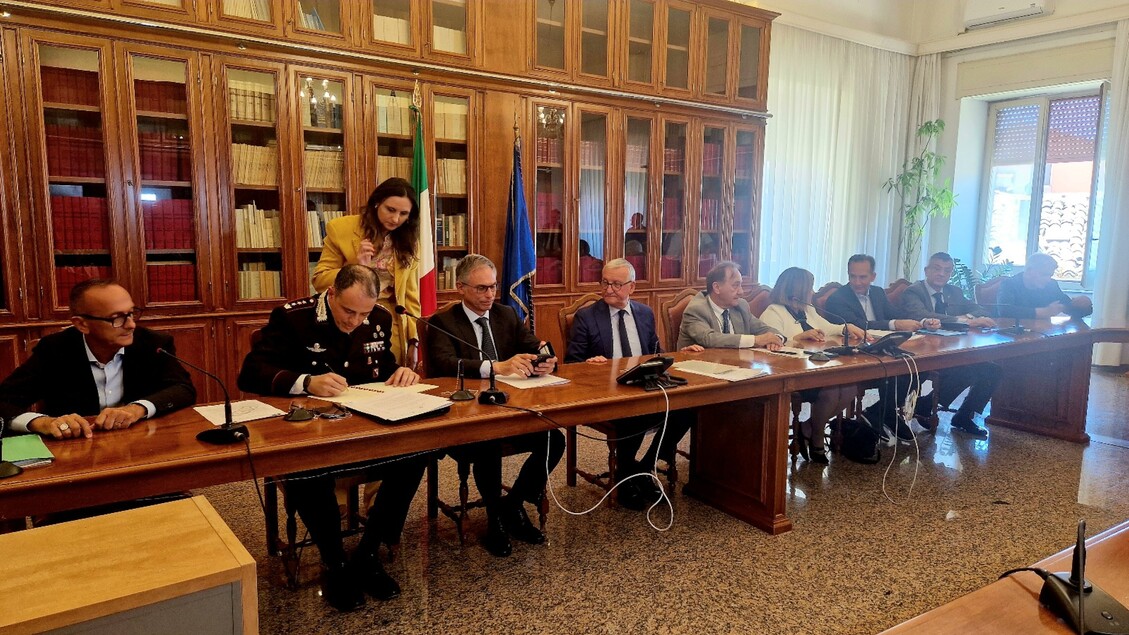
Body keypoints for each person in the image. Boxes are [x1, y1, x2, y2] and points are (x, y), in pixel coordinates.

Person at [238, 265, 426, 612]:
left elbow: (380, 367)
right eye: (348, 311)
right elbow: (250, 373)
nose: (355, 321)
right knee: (308, 470)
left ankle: (368, 553)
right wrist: (306, 382)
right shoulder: (293, 318)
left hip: (365, 428)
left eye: (363, 313)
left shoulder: (380, 318)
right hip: (311, 433)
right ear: (331, 294)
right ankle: (335, 562)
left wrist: (401, 372)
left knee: (415, 454)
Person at [425, 254, 565, 558]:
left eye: (493, 287)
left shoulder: (506, 314)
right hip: (466, 416)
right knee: (488, 445)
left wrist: (546, 361)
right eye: (481, 288)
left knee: (554, 439)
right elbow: (445, 364)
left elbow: (533, 345)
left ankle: (511, 505)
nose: (490, 294)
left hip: (510, 408)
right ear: (461, 287)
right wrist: (495, 367)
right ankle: (494, 520)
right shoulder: (443, 322)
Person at [564, 259, 703, 509]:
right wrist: (589, 364)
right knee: (635, 416)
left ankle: (643, 468)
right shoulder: (587, 316)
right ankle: (628, 477)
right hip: (608, 394)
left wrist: (680, 355)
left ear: (632, 287)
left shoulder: (644, 313)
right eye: (605, 283)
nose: (608, 289)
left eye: (616, 284)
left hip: (643, 387)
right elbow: (572, 363)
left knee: (686, 410)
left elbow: (656, 353)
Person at [0, 279, 195, 439]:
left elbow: (183, 389)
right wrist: (43, 422)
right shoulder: (55, 350)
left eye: (131, 313)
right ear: (82, 324)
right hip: (76, 449)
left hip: (140, 442)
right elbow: (4, 400)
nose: (131, 325)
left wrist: (136, 409)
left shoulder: (153, 343)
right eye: (117, 318)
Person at [825, 254, 940, 437]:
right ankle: (885, 413)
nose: (857, 282)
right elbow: (856, 324)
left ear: (873, 276)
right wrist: (894, 324)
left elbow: (896, 314)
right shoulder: (838, 298)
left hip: (882, 348)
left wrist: (923, 322)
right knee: (896, 369)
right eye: (852, 276)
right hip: (857, 355)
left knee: (919, 366)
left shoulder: (877, 293)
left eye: (862, 277)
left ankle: (881, 412)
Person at [311, 177, 421, 365]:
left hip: (388, 318)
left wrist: (414, 340)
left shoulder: (409, 242)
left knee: (388, 373)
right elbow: (320, 280)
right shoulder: (341, 229)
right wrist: (356, 266)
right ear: (377, 203)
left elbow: (410, 295)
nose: (396, 219)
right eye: (390, 210)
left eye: (403, 214)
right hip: (346, 313)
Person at [759, 268, 864, 464]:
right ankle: (817, 437)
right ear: (797, 291)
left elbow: (828, 328)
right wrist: (798, 337)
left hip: (814, 368)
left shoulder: (808, 311)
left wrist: (845, 327)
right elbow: (772, 342)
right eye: (809, 288)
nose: (813, 292)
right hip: (791, 372)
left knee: (849, 387)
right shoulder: (773, 312)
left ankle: (808, 428)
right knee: (831, 392)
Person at [897, 252, 1001, 437]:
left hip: (952, 348)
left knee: (992, 370)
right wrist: (965, 321)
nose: (941, 274)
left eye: (947, 270)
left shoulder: (954, 292)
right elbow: (920, 315)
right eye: (937, 269)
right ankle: (925, 405)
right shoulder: (914, 291)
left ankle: (962, 416)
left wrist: (966, 317)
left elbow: (980, 310)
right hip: (922, 352)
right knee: (965, 370)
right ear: (926, 270)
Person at [677, 260, 785, 351]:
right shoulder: (696, 309)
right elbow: (710, 339)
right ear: (717, 288)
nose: (741, 292)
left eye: (741, 285)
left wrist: (775, 339)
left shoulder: (740, 306)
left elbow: (764, 329)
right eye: (735, 285)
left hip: (735, 365)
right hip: (699, 367)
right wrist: (756, 340)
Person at [996, 252, 1093, 319]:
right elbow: (1005, 311)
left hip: (1041, 335)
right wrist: (1044, 312)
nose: (1048, 279)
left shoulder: (1051, 285)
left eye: (1050, 275)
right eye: (1044, 275)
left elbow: (1067, 306)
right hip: (1012, 336)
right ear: (1029, 271)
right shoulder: (1009, 284)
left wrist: (1083, 306)